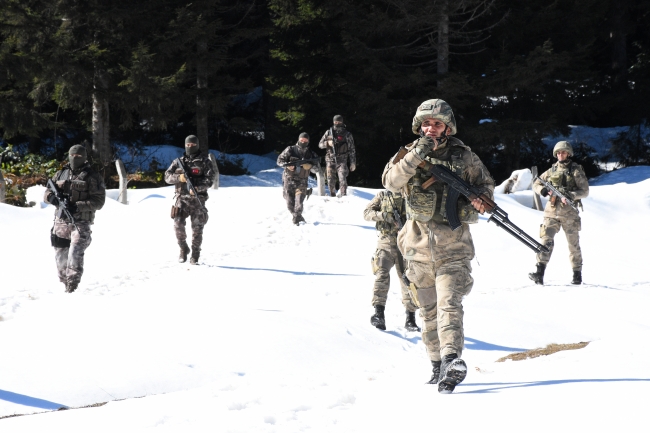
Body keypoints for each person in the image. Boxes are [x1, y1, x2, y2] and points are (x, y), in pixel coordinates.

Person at [382, 99, 495, 394]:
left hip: (454, 249)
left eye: (437, 123)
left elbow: (486, 186)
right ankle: (436, 365)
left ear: (448, 127)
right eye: (426, 124)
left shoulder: (464, 156)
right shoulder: (407, 153)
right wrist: (417, 153)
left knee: (450, 306)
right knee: (428, 314)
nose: (431, 128)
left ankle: (451, 360)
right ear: (419, 126)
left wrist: (479, 199)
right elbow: (391, 182)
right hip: (416, 251)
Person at [44, 144, 106, 293]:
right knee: (60, 256)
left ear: (84, 157)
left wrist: (78, 206)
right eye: (72, 156)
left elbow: (99, 201)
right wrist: (51, 198)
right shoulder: (60, 174)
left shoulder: (93, 176)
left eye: (78, 156)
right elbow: (46, 193)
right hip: (61, 222)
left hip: (80, 222)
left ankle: (73, 286)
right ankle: (63, 285)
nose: (75, 158)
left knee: (75, 253)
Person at [528, 141, 589, 285]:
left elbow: (585, 191)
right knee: (545, 241)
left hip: (569, 214)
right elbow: (536, 183)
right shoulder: (551, 170)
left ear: (569, 153)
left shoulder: (576, 170)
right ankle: (539, 272)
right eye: (559, 153)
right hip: (551, 212)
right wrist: (543, 190)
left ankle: (577, 274)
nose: (561, 155)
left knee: (573, 245)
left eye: (563, 152)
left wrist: (571, 195)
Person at [363, 190, 419, 332]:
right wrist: (383, 215)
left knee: (409, 279)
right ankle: (378, 313)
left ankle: (410, 318)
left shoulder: (411, 194)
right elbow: (367, 213)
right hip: (386, 241)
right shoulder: (383, 196)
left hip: (407, 242)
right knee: (381, 274)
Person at [165, 135, 216, 264]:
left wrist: (198, 188)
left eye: (193, 145)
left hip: (197, 200)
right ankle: (183, 248)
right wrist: (179, 178)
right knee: (178, 225)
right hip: (181, 199)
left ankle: (195, 254)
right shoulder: (178, 162)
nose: (190, 147)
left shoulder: (205, 162)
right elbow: (167, 177)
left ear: (197, 145)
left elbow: (210, 180)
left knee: (197, 229)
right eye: (188, 145)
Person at [277, 132, 320, 225]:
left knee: (299, 202)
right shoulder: (290, 149)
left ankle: (297, 220)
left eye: (305, 140)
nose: (303, 141)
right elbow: (279, 161)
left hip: (302, 182)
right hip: (289, 180)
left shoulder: (311, 154)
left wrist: (309, 166)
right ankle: (298, 217)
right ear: (298, 139)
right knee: (289, 203)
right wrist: (288, 166)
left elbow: (317, 168)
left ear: (308, 141)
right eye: (302, 139)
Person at [318, 115, 356, 197]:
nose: (337, 123)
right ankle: (332, 195)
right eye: (335, 121)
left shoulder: (347, 134)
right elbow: (320, 145)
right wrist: (327, 143)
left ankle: (343, 195)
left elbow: (352, 149)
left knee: (342, 178)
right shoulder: (328, 133)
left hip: (342, 160)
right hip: (330, 159)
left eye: (339, 121)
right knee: (330, 179)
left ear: (342, 122)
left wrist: (353, 162)